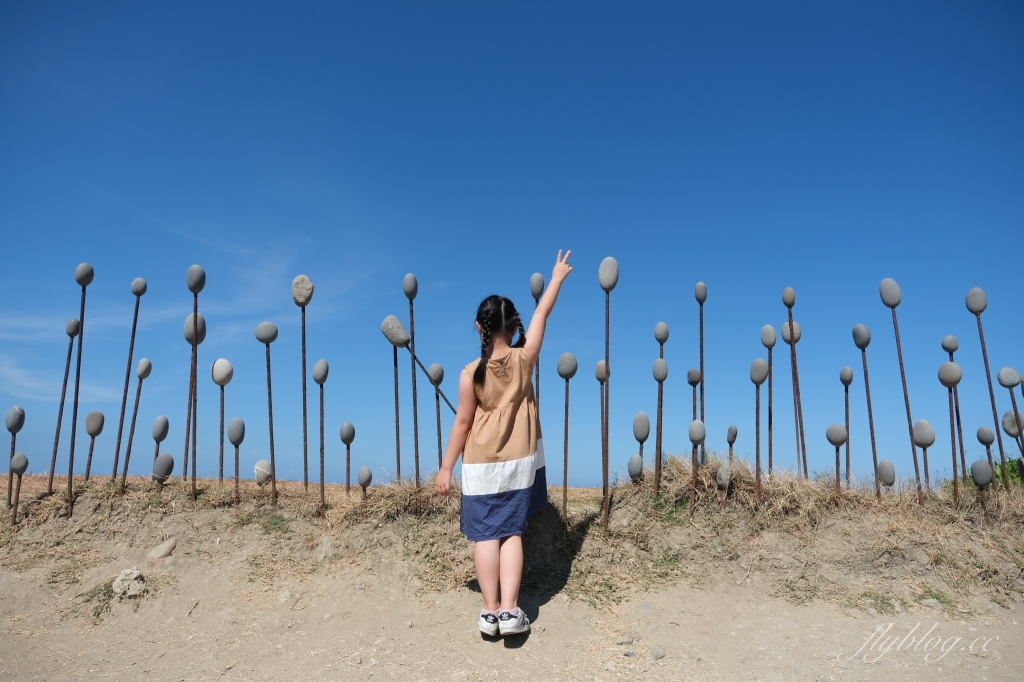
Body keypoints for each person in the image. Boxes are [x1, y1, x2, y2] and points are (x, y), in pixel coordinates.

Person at [435, 249, 573, 637]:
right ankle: (511, 612)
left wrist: (446, 467)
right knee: (512, 532)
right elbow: (542, 314)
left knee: (485, 536)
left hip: (479, 465)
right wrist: (556, 278)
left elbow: (462, 423)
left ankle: (489, 611)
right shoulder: (525, 360)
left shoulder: (469, 374)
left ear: (478, 327)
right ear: (513, 328)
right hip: (518, 462)